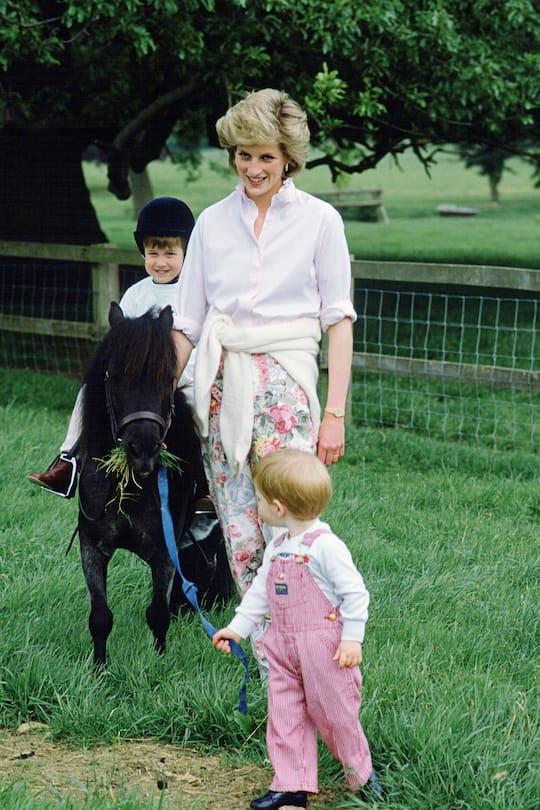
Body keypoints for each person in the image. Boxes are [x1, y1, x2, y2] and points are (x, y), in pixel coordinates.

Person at [170, 88, 356, 663]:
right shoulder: (210, 222)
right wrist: (160, 389)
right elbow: (188, 323)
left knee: (289, 515)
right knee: (240, 524)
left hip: (285, 384)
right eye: (243, 155)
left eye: (266, 157)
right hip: (221, 385)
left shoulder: (320, 221)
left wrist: (334, 413)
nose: (253, 168)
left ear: (289, 159)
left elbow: (339, 321)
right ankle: (270, 645)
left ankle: (314, 635)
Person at [213, 449, 381, 809]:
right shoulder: (277, 547)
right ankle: (291, 786)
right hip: (283, 648)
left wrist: (352, 638)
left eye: (258, 499)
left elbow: (355, 594)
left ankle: (362, 775)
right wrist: (237, 629)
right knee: (284, 714)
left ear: (279, 506)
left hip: (325, 650)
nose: (255, 505)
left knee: (335, 716)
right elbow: (260, 592)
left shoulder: (326, 547)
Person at [28, 196, 196, 497]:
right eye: (152, 252)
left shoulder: (193, 293)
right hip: (138, 384)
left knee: (202, 409)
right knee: (88, 392)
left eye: (170, 253)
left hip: (184, 379)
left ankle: (202, 485)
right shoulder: (135, 295)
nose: (160, 261)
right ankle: (69, 461)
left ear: (187, 252)